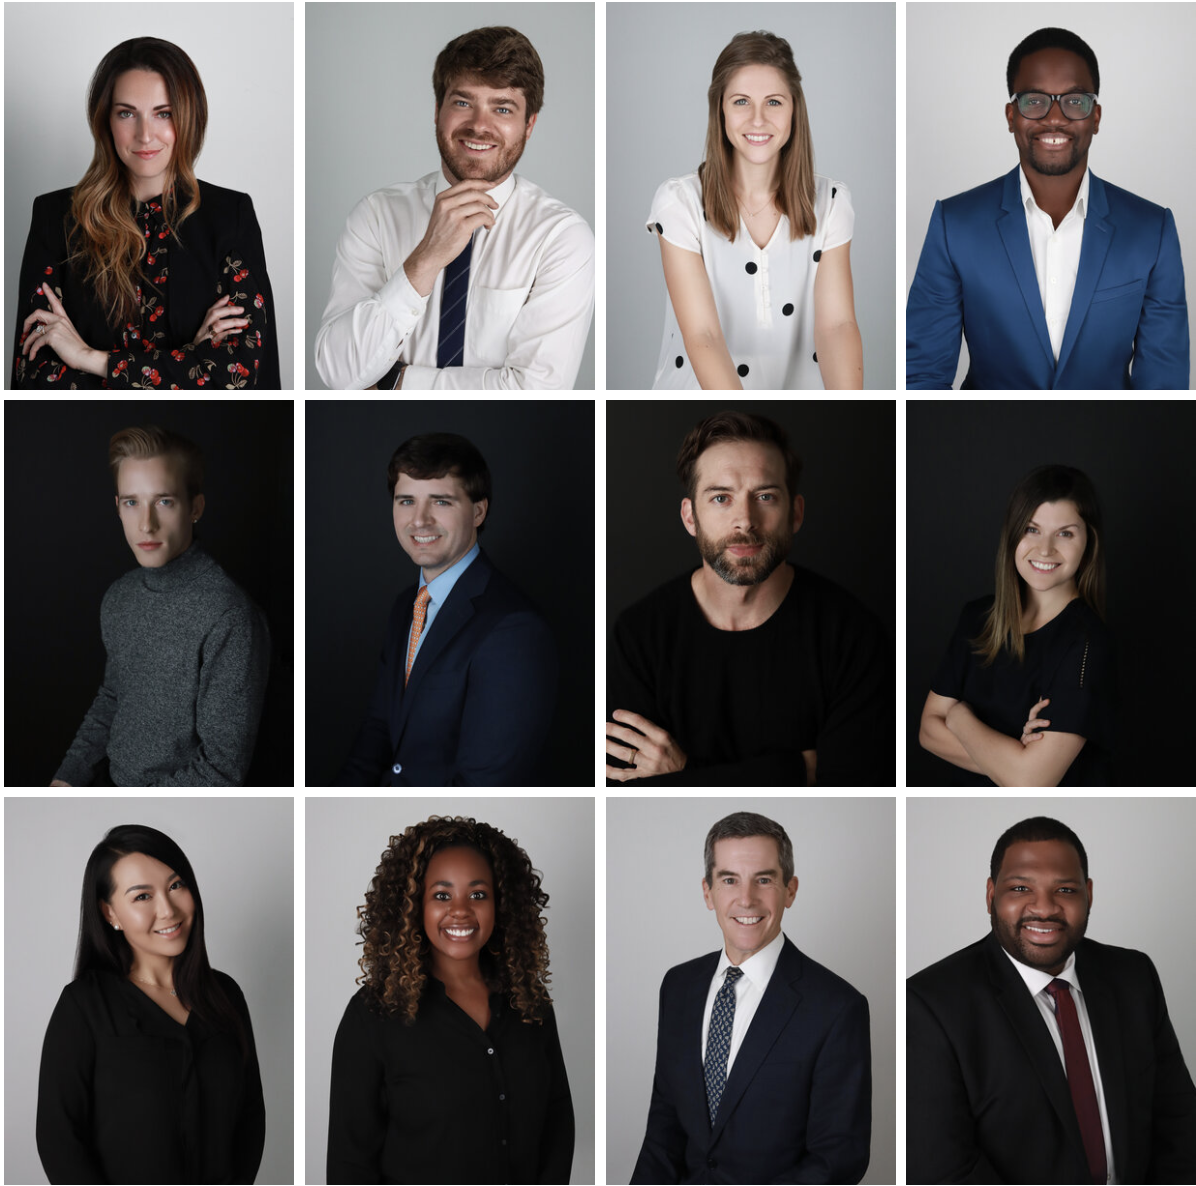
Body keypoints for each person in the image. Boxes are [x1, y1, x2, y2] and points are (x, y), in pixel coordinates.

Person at [605, 411, 892, 787]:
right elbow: (627, 791)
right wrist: (796, 769)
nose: (745, 520)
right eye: (721, 498)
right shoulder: (639, 635)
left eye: (766, 496)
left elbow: (851, 786)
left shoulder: (853, 635)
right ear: (690, 517)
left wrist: (685, 773)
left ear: (796, 513)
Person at [908, 816, 1196, 1183]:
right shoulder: (930, 1005)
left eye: (1064, 890)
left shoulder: (1134, 976)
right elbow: (944, 1169)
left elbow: (1179, 1121)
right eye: (1020, 888)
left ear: (1088, 894)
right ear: (990, 894)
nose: (1043, 908)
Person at [907, 27, 1189, 390]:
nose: (1054, 117)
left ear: (1096, 117)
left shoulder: (1153, 230)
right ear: (1011, 116)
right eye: (1035, 100)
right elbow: (921, 379)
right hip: (986, 443)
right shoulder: (954, 225)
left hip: (1110, 445)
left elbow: (1164, 391)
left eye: (1074, 101)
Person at [315, 25, 594, 390]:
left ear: (529, 126)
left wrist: (396, 382)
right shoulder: (375, 216)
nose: (480, 126)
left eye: (503, 108)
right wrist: (425, 260)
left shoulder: (561, 238)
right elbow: (339, 373)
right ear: (437, 111)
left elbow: (535, 392)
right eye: (463, 103)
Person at [11, 37, 280, 390]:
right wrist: (189, 359)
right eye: (126, 113)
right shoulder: (55, 218)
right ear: (105, 120)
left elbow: (240, 374)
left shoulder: (230, 216)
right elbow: (37, 381)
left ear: (188, 117)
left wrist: (85, 357)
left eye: (163, 113)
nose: (144, 135)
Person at [327, 815, 574, 1184]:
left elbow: (557, 1123)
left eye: (478, 894)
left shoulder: (529, 1003)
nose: (460, 910)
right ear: (413, 905)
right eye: (442, 895)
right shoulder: (374, 1013)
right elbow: (350, 1163)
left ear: (501, 903)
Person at [632, 811, 870, 1184]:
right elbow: (664, 1128)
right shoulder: (678, 987)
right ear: (707, 892)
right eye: (729, 880)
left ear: (790, 890)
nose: (746, 899)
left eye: (763, 880)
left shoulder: (837, 1008)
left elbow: (837, 1161)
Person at [36, 824, 265, 1183]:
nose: (168, 909)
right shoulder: (84, 1007)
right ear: (109, 913)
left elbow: (250, 1118)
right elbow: (59, 1139)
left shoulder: (226, 995)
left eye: (176, 886)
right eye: (142, 896)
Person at [51, 425, 270, 787]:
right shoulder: (120, 597)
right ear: (117, 508)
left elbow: (221, 769)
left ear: (195, 507)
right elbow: (112, 698)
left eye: (164, 501)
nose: (146, 524)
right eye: (131, 502)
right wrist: (66, 778)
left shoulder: (230, 616)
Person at [337, 432, 556, 786]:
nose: (419, 520)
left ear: (478, 511)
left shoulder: (514, 629)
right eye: (406, 501)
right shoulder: (403, 608)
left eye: (440, 502)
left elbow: (486, 784)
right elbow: (378, 730)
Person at [646, 31, 861, 391]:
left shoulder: (832, 201)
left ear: (795, 108)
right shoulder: (678, 203)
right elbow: (704, 335)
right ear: (720, 111)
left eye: (774, 102)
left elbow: (837, 326)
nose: (758, 119)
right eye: (741, 102)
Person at [919, 464, 1113, 786]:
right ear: (1013, 533)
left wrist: (958, 717)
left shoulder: (1088, 644)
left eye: (1065, 533)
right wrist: (1013, 761)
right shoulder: (976, 617)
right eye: (1032, 529)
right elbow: (927, 731)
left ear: (1088, 543)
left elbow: (1032, 781)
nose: (1045, 548)